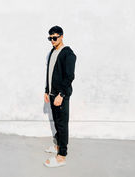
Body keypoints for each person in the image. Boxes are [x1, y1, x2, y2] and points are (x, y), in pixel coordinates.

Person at [43, 25, 77, 168]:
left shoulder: (67, 54)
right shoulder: (52, 52)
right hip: (52, 94)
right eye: (50, 38)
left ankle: (62, 155)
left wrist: (61, 94)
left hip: (60, 96)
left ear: (62, 36)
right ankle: (58, 146)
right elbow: (49, 74)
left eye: (55, 38)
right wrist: (46, 90)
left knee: (62, 124)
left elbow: (69, 76)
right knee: (57, 122)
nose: (52, 40)